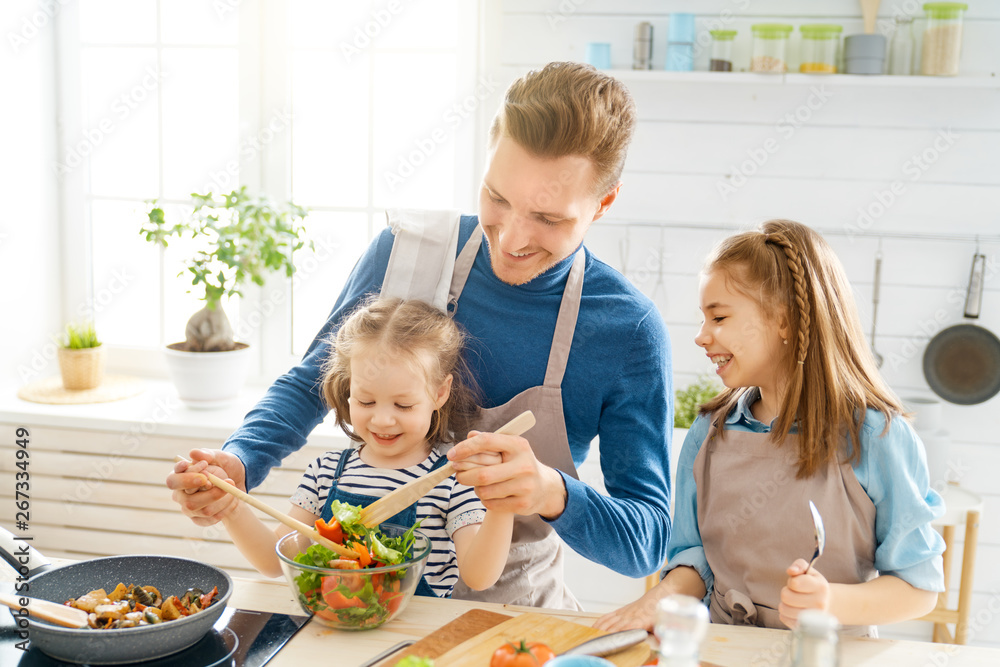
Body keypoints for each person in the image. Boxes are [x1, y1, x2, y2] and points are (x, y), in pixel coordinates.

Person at [167, 61, 673, 609]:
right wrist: (237, 463)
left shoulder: (626, 330)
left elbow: (644, 542)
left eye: (548, 218)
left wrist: (552, 491)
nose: (512, 239)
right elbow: (312, 381)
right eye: (497, 198)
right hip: (368, 602)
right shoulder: (406, 253)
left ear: (604, 203)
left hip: (513, 613)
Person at [594, 220, 945, 636]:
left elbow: (918, 588)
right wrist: (658, 599)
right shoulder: (708, 433)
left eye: (718, 316)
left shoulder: (874, 436)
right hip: (722, 650)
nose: (701, 336)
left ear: (784, 321)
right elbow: (695, 560)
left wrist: (830, 602)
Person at [183, 297, 512, 597]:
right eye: (366, 401)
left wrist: (502, 504)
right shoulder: (326, 472)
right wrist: (232, 507)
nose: (382, 420)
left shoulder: (452, 480)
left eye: (403, 405)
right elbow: (274, 560)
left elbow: (478, 577)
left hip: (417, 640)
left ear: (439, 393)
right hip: (333, 630)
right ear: (348, 387)